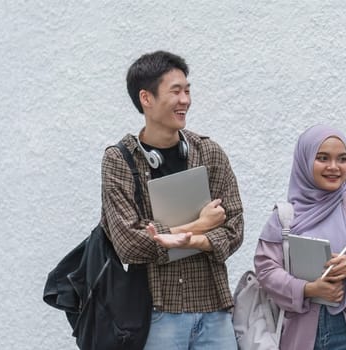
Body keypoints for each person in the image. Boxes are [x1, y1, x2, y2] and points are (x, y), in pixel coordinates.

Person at [100, 50, 243, 349]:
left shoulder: (209, 152)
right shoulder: (120, 160)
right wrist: (201, 225)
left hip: (214, 308)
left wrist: (184, 238)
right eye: (175, 91)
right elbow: (128, 243)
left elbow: (234, 229)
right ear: (146, 98)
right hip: (155, 313)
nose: (185, 100)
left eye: (187, 91)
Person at [254, 125, 346, 350]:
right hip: (304, 332)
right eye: (322, 158)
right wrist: (307, 289)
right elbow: (266, 270)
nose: (334, 167)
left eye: (342, 159)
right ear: (304, 160)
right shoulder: (285, 217)